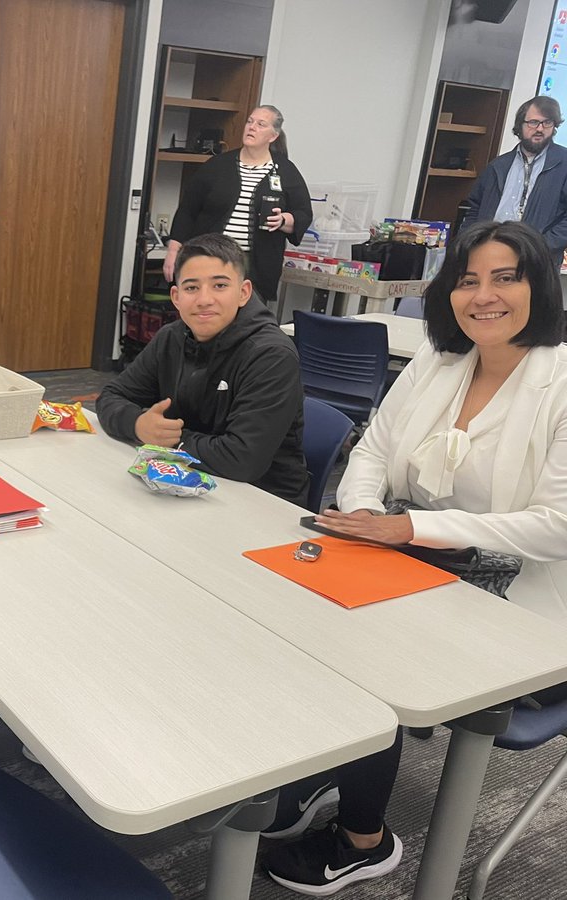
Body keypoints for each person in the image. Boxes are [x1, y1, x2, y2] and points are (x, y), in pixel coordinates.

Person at [261, 219, 567, 896]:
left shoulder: (563, 381)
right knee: (286, 596)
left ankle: (364, 838)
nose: (484, 296)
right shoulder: (439, 359)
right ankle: (319, 765)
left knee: (369, 647)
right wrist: (369, 511)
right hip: (415, 551)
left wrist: (415, 531)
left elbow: (558, 527)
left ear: (538, 286)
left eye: (505, 277)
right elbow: (371, 449)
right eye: (467, 281)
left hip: (527, 595)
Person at [96, 233, 308, 506]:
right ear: (176, 296)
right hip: (183, 483)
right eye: (191, 288)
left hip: (262, 501)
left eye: (220, 285)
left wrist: (168, 440)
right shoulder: (171, 337)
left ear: (243, 292)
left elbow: (242, 460)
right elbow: (111, 397)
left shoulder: (271, 355)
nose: (204, 299)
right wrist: (139, 424)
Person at [164, 105, 313, 305]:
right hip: (210, 259)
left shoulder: (285, 170)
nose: (252, 127)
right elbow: (187, 210)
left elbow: (303, 213)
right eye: (250, 121)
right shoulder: (217, 166)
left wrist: (284, 219)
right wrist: (173, 252)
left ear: (273, 135)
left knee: (246, 324)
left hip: (256, 265)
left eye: (261, 124)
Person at [463, 95, 567, 264]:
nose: (540, 129)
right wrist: (470, 243)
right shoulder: (497, 166)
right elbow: (473, 208)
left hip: (537, 261)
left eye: (547, 123)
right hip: (489, 254)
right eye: (533, 122)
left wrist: (540, 247)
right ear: (520, 125)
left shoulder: (564, 164)